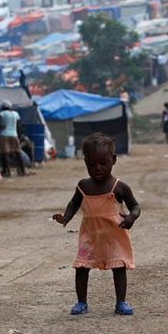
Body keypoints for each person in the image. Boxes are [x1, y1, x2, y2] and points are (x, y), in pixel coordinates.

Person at [52, 133, 141, 316]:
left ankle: (121, 302)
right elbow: (73, 204)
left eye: (103, 163)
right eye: (91, 164)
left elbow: (135, 206)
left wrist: (131, 217)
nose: (97, 168)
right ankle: (81, 302)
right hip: (90, 236)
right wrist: (66, 217)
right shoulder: (83, 186)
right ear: (85, 162)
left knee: (118, 268)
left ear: (113, 160)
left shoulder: (119, 187)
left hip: (114, 236)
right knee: (82, 267)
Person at [0, 101, 25, 177]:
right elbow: (18, 125)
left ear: (3, 107)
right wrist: (19, 135)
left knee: (4, 154)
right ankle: (22, 170)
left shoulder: (2, 113)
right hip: (14, 134)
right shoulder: (15, 114)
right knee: (18, 153)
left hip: (4, 134)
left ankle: (6, 171)